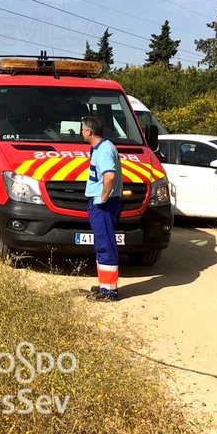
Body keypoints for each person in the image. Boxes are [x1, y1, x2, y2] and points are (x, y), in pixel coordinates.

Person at [82, 114, 123, 302]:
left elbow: (109, 177)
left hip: (104, 205)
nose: (81, 132)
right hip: (101, 203)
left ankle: (109, 291)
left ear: (89, 131)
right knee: (101, 244)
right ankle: (104, 285)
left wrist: (102, 198)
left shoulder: (104, 150)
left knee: (105, 244)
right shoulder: (100, 148)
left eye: (83, 129)